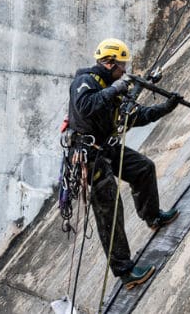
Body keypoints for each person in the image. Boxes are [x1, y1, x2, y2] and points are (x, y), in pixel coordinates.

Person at [68, 38, 180, 289]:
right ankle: (125, 272)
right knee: (110, 210)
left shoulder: (112, 87)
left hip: (106, 147)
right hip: (89, 156)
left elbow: (132, 117)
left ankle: (152, 216)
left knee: (143, 168)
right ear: (109, 63)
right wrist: (118, 88)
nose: (125, 70)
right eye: (121, 65)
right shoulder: (84, 81)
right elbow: (85, 107)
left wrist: (165, 108)